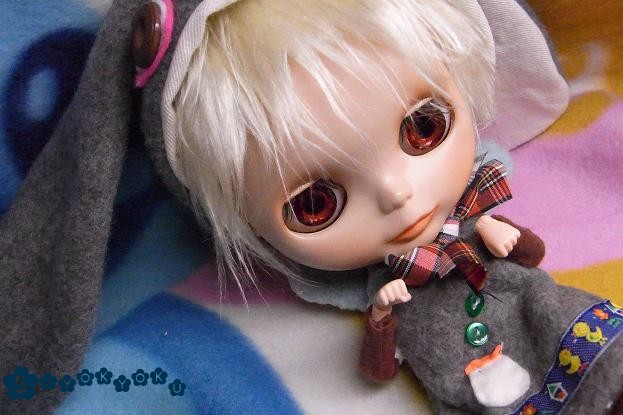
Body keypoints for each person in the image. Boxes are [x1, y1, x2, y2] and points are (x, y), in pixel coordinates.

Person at [162, 0, 623, 413]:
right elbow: (378, 370)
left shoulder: (473, 220)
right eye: (316, 203)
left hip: (544, 316)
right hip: (470, 386)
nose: (396, 194)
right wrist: (381, 317)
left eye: (423, 127)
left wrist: (503, 232)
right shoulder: (388, 287)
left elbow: (532, 257)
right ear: (252, 228)